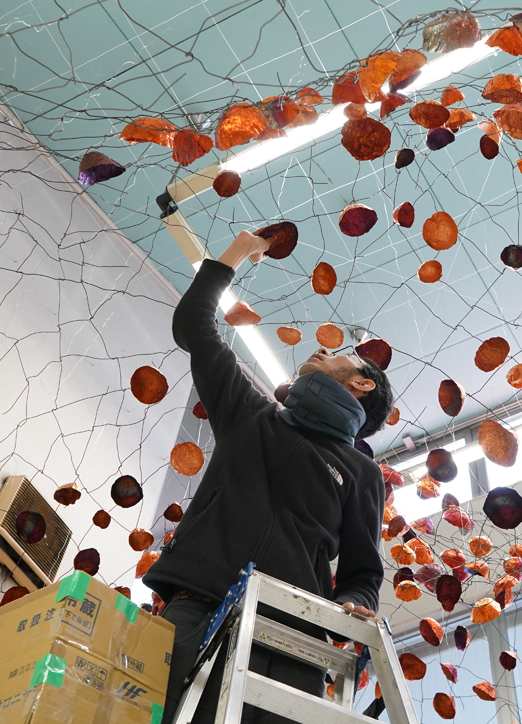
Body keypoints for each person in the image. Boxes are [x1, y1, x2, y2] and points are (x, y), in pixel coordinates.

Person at [143, 230, 394, 724]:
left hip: (292, 638)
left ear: (362, 383)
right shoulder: (249, 411)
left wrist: (351, 605)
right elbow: (195, 326)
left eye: (342, 353)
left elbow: (364, 575)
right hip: (196, 610)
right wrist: (234, 253)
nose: (325, 351)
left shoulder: (362, 472)